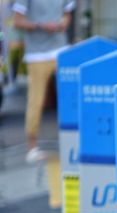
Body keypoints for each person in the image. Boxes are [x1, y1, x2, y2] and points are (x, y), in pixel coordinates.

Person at [13, 0, 75, 163]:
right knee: (36, 101)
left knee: (70, 99)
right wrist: (41, 25)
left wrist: (63, 23)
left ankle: (74, 142)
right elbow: (17, 21)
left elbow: (68, 15)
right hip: (37, 54)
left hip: (61, 50)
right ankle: (32, 147)